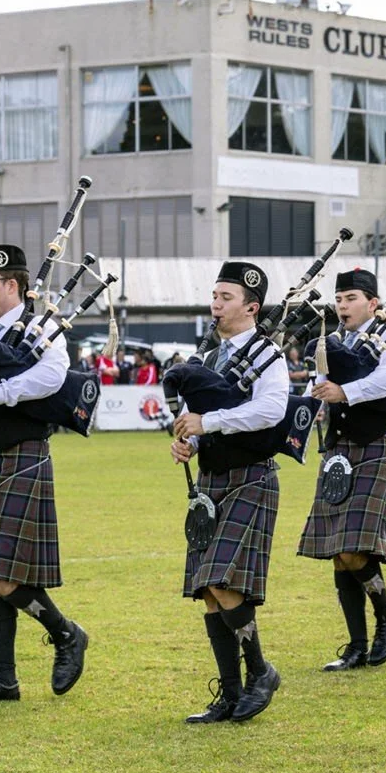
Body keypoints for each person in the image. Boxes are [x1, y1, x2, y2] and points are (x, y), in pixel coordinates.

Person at [0, 243, 89, 706]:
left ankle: (66, 634)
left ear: (13, 285)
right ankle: (3, 680)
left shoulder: (42, 330)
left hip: (23, 457)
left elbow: (53, 378)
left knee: (3, 576)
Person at [170, 262, 287, 724]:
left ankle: (261, 671)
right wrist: (189, 440)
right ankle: (231, 693)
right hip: (211, 481)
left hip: (251, 477)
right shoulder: (209, 359)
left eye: (225, 298)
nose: (215, 305)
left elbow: (273, 411)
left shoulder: (268, 355)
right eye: (214, 296)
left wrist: (209, 423)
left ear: (251, 307)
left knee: (222, 579)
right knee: (209, 591)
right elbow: (196, 414)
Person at [297, 268, 386, 671]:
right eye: (339, 299)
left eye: (351, 299)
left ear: (373, 303)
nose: (342, 306)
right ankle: (357, 645)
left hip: (374, 446)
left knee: (351, 547)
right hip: (337, 449)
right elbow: (319, 381)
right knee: (338, 554)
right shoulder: (331, 341)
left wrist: (347, 392)